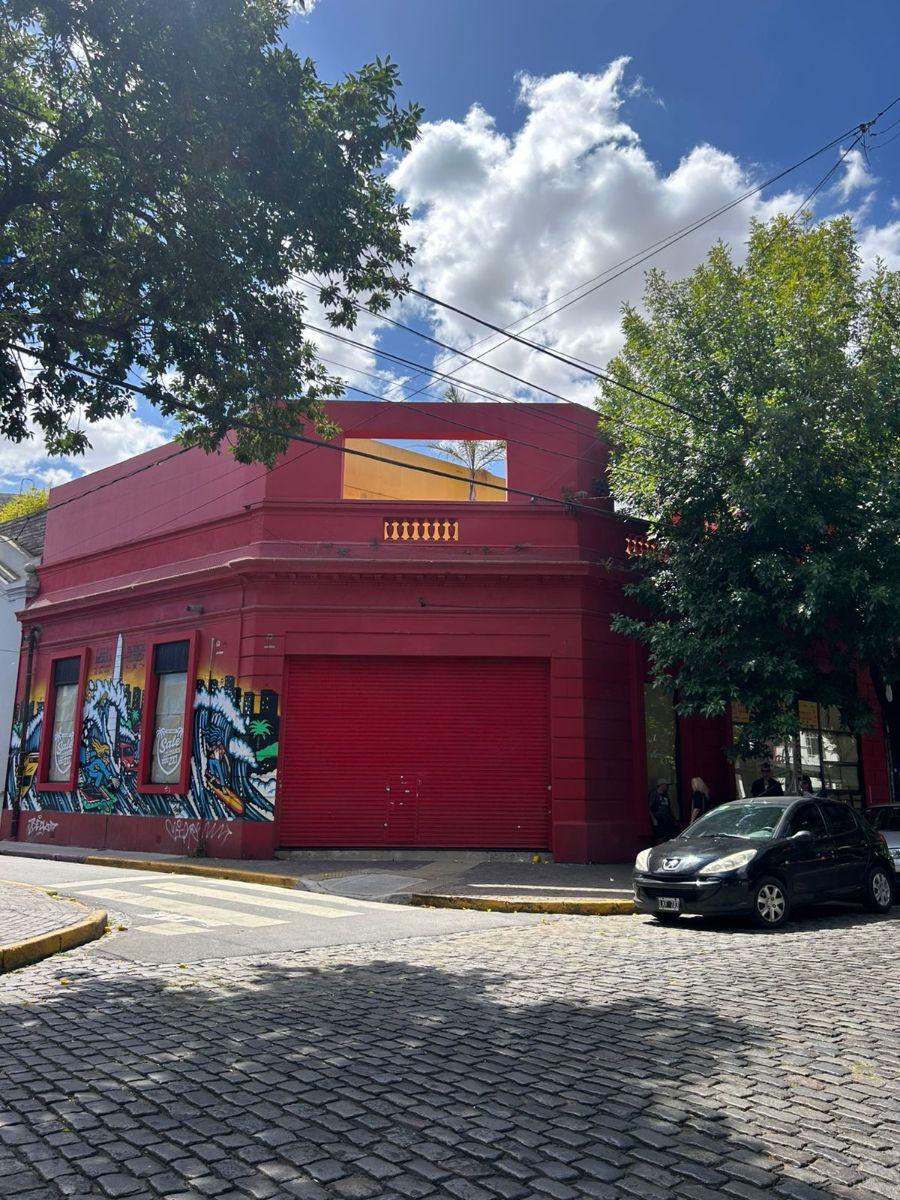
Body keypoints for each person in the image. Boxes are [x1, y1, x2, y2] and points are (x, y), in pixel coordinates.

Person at [648, 778, 678, 844]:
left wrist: (674, 818)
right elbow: (649, 808)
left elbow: (669, 807)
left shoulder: (665, 795)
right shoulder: (654, 794)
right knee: (660, 837)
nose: (667, 787)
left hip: (667, 819)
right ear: (661, 785)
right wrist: (653, 819)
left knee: (669, 836)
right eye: (666, 785)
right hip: (659, 819)